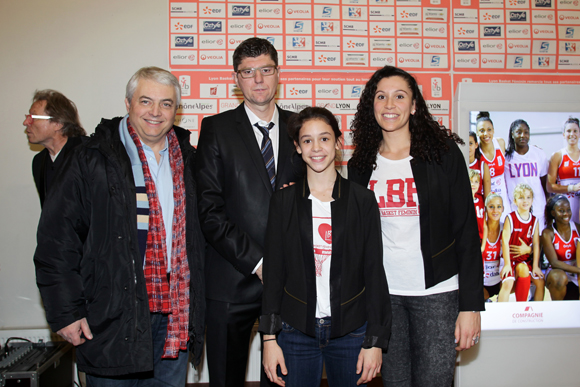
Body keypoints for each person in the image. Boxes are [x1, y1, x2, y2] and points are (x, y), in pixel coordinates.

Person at [33, 67, 205, 386]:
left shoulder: (189, 160)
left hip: (174, 316)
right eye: (146, 101)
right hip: (110, 317)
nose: (156, 112)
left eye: (166, 104)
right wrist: (66, 313)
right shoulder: (90, 158)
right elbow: (57, 242)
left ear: (176, 110)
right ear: (128, 104)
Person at [347, 65, 483, 387]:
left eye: (399, 96)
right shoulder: (360, 164)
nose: (389, 104)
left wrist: (471, 306)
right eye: (381, 96)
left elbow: (466, 230)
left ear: (414, 105)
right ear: (372, 105)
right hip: (385, 296)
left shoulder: (443, 155)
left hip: (437, 294)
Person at [195, 37, 302, 387]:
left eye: (266, 70)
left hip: (291, 284)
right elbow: (209, 211)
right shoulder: (216, 129)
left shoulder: (302, 127)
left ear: (278, 73)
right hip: (231, 281)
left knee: (284, 379)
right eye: (248, 72)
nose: (258, 79)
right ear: (236, 79)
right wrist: (259, 263)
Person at [259, 107, 391, 387]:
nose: (316, 148)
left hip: (352, 334)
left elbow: (374, 273)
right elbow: (273, 275)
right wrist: (269, 338)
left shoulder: (362, 200)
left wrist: (375, 341)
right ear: (297, 147)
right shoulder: (283, 203)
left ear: (338, 143)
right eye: (307, 140)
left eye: (324, 138)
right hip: (295, 333)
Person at [24, 89, 86, 207]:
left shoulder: (88, 155)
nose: (25, 122)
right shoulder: (39, 162)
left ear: (58, 123)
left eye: (32, 117)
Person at [498, 183, 544, 302]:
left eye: (528, 197)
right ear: (515, 200)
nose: (525, 200)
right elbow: (505, 241)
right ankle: (501, 314)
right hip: (510, 259)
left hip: (525, 260)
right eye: (521, 197)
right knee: (508, 283)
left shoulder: (535, 221)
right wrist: (507, 264)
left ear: (532, 200)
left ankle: (530, 311)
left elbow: (536, 244)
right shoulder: (510, 218)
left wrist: (535, 266)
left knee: (539, 281)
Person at [504, 119, 549, 231]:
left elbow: (545, 183)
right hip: (516, 211)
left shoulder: (539, 154)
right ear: (512, 134)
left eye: (526, 132)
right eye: (519, 132)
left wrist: (548, 207)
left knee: (537, 245)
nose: (523, 135)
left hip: (538, 209)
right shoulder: (506, 157)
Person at [541, 195, 580, 300]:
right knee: (559, 278)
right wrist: (578, 270)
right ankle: (558, 311)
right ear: (553, 213)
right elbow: (554, 262)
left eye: (568, 210)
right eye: (561, 211)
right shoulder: (548, 233)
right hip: (558, 271)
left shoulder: (577, 228)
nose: (566, 213)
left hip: (576, 272)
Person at [476, 112, 510, 221]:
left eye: (489, 129)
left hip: (503, 198)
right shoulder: (476, 152)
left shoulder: (500, 143)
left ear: (493, 130)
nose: (486, 133)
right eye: (482, 130)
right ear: (477, 133)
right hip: (487, 200)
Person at [547, 118, 580, 223]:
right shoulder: (557, 155)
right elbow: (549, 186)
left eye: (575, 131)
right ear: (563, 134)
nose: (572, 134)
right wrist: (572, 187)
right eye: (569, 131)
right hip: (565, 203)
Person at [480, 194, 505, 301]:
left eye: (499, 207)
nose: (495, 210)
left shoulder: (506, 228)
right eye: (491, 207)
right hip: (482, 281)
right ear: (485, 209)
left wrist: (529, 249)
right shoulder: (479, 228)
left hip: (500, 280)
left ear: (503, 209)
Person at [468, 131, 491, 199]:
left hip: (479, 207)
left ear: (476, 145)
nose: (468, 147)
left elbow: (487, 197)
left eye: (471, 143)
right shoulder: (458, 165)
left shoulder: (483, 166)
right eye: (465, 144)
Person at [470, 169, 485, 241]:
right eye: (471, 181)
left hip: (481, 239)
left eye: (476, 182)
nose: (473, 184)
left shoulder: (481, 199)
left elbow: (484, 224)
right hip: (470, 239)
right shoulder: (464, 200)